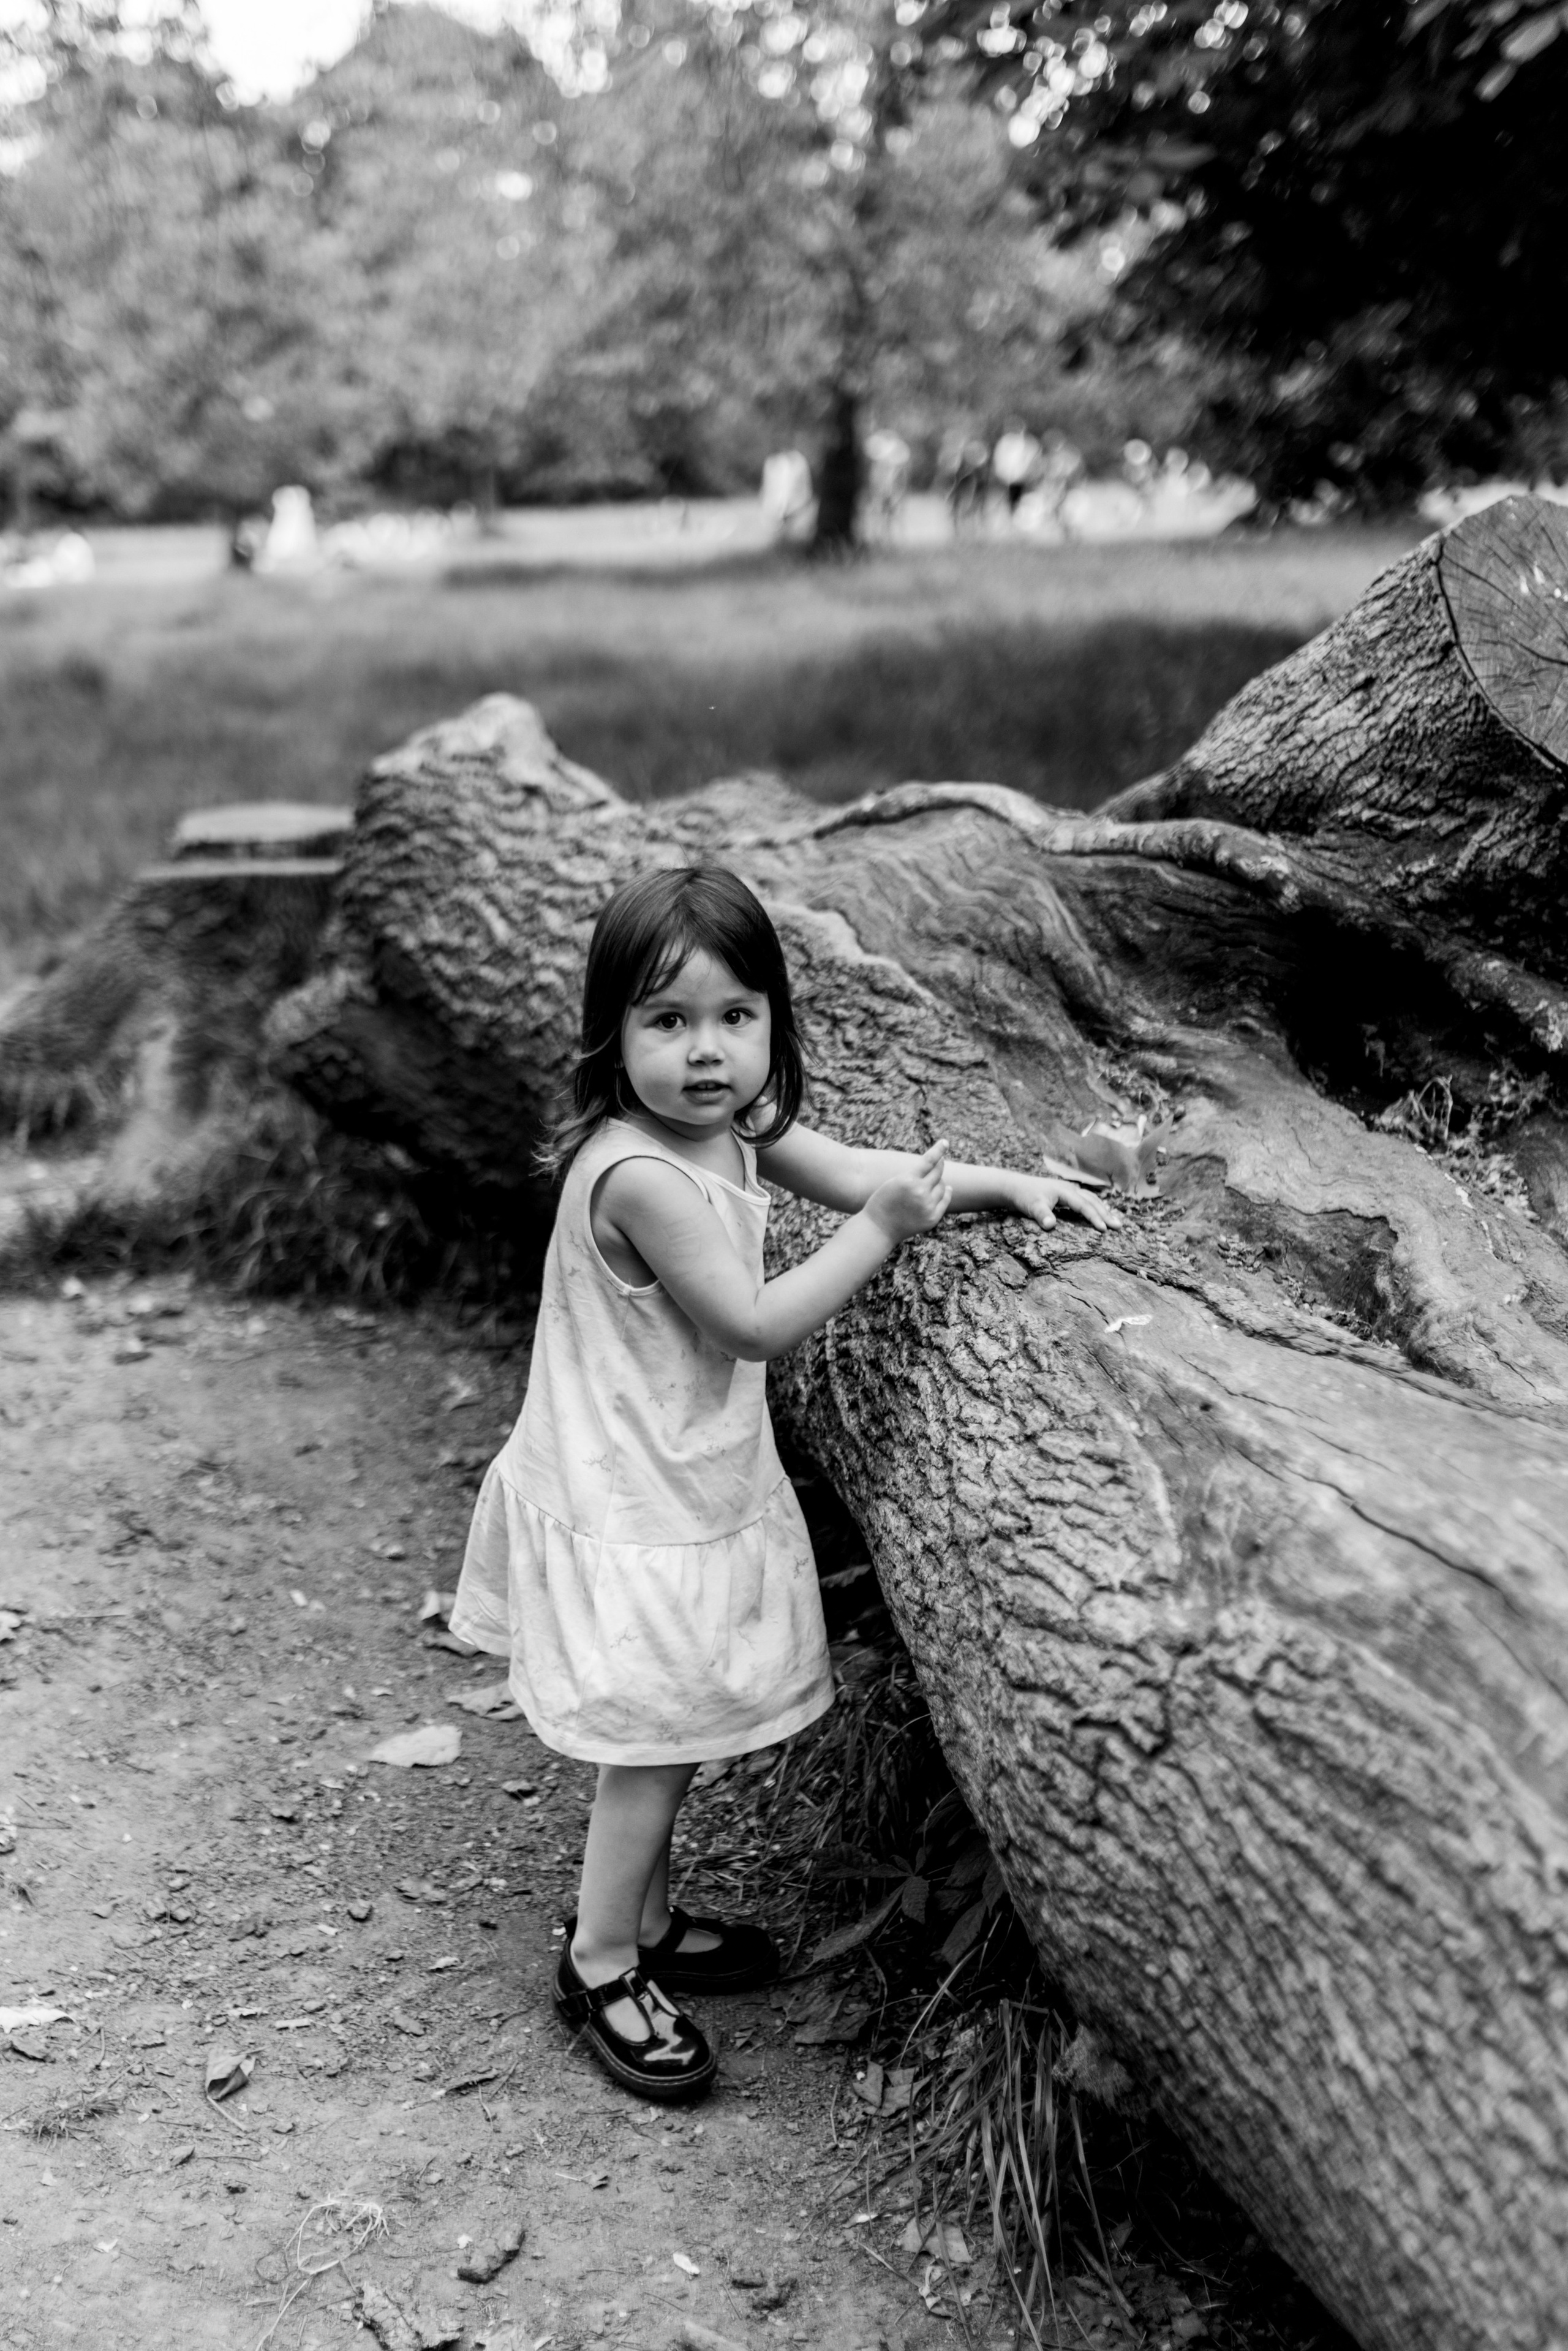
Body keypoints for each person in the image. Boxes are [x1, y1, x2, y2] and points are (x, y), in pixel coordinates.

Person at [449, 866, 1117, 2104]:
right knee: (653, 1742)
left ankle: (645, 1925)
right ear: (612, 1033)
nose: (704, 1051)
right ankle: (600, 1959)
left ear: (770, 1022)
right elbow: (754, 1322)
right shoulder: (639, 1173)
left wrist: (995, 1184)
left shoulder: (731, 1127)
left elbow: (865, 1169)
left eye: (733, 1016)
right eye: (666, 1020)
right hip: (628, 1500)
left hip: (674, 1476)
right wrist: (886, 1235)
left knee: (676, 1718)